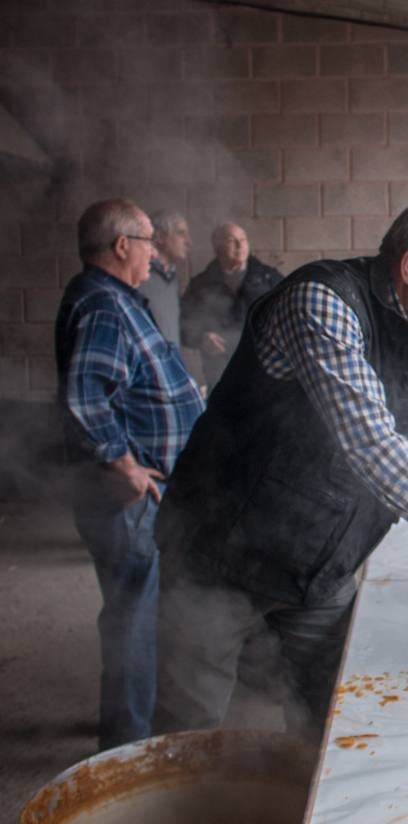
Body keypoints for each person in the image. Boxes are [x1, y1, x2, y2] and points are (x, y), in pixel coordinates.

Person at [153, 196, 408, 741]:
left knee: (323, 729)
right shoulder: (321, 303)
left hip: (319, 571)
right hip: (217, 554)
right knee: (189, 732)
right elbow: (373, 444)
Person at [54, 198, 205, 750]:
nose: (156, 250)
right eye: (148, 241)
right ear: (123, 246)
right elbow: (86, 396)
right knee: (132, 625)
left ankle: (136, 729)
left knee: (140, 617)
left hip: (142, 495)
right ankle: (127, 746)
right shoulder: (103, 306)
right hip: (126, 499)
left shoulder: (117, 299)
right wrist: (123, 464)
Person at [180, 221, 283, 388]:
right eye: (231, 240)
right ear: (217, 247)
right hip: (219, 375)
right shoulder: (200, 285)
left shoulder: (269, 279)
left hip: (262, 375)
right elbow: (183, 327)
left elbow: (286, 321)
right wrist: (201, 338)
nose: (240, 245)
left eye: (243, 239)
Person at [138, 209, 190, 347]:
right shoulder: (139, 278)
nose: (188, 241)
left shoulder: (172, 280)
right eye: (181, 233)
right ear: (159, 237)